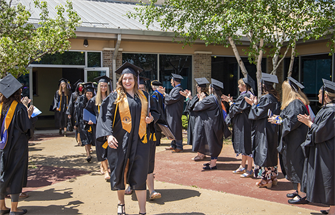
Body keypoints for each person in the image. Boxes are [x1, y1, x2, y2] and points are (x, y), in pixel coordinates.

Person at [96, 62, 160, 215]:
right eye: (124, 79)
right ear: (121, 80)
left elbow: (156, 113)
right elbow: (105, 116)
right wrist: (108, 134)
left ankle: (142, 211)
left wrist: (152, 119)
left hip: (140, 142)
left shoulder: (144, 96)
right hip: (120, 142)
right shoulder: (114, 96)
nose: (127, 81)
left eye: (130, 78)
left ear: (135, 80)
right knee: (120, 173)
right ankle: (121, 204)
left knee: (139, 174)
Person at [268, 77, 309, 204]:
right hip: (292, 141)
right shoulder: (294, 103)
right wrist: (279, 118)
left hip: (296, 141)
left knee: (297, 165)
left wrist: (278, 121)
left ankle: (302, 195)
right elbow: (288, 118)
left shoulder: (296, 103)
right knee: (292, 165)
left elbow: (292, 122)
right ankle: (297, 190)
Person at [298, 79, 335, 215]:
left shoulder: (332, 111)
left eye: (319, 94)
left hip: (328, 151)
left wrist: (309, 123)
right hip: (324, 149)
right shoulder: (327, 109)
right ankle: (331, 209)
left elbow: (321, 131)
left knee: (329, 179)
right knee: (327, 179)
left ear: (326, 96)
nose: (318, 96)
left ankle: (333, 211)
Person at [0, 74, 34, 215]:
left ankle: (2, 207)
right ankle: (14, 209)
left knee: (3, 173)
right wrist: (29, 115)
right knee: (16, 173)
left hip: (2, 147)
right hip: (17, 147)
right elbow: (25, 128)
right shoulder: (19, 108)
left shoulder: (1, 106)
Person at [245, 73, 280, 188]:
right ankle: (273, 177)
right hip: (272, 129)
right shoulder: (275, 98)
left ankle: (266, 180)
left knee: (264, 153)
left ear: (263, 85)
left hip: (264, 129)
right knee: (271, 153)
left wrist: (253, 105)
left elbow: (257, 113)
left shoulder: (266, 98)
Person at [192, 79, 231, 170]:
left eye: (210, 87)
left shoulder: (210, 99)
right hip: (216, 125)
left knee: (212, 143)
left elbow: (197, 107)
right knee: (214, 142)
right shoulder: (217, 98)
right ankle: (212, 162)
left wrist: (201, 100)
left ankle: (213, 164)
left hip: (211, 125)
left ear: (212, 89)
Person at [223, 74, 255, 177]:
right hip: (242, 123)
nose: (238, 87)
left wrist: (231, 104)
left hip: (246, 124)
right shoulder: (245, 95)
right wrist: (231, 103)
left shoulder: (246, 96)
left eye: (240, 85)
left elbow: (236, 109)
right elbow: (236, 109)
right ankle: (242, 166)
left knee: (247, 145)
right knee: (243, 144)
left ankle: (249, 169)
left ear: (244, 86)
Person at [85, 76, 111, 180]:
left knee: (110, 149)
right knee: (101, 150)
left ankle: (107, 167)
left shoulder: (112, 98)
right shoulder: (94, 100)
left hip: (110, 127)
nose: (103, 88)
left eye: (105, 86)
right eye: (101, 86)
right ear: (98, 87)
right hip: (98, 128)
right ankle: (106, 171)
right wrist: (89, 120)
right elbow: (87, 112)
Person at [180, 77, 209, 161]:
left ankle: (200, 154)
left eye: (197, 87)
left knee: (198, 136)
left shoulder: (200, 96)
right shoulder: (205, 96)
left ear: (199, 88)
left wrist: (188, 97)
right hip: (198, 118)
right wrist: (189, 97)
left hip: (196, 119)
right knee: (200, 136)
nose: (196, 88)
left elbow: (190, 106)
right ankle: (202, 153)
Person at [163, 73, 184, 153]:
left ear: (175, 81)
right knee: (172, 128)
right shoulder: (175, 89)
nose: (171, 82)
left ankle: (179, 146)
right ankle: (173, 144)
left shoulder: (179, 90)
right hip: (172, 112)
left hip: (175, 112)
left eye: (172, 81)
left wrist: (164, 94)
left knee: (176, 128)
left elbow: (171, 99)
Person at [75, 83, 95, 162]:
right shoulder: (81, 100)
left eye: (90, 94)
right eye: (87, 93)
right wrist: (76, 123)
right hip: (83, 122)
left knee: (90, 138)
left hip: (92, 123)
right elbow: (78, 112)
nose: (89, 95)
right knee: (86, 139)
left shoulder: (95, 101)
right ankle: (88, 154)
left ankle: (89, 150)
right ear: (85, 93)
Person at [67, 79, 84, 145]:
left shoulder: (85, 94)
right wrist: (69, 113)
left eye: (82, 86)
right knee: (77, 126)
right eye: (79, 86)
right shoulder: (74, 95)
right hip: (75, 112)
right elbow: (70, 104)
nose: (81, 88)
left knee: (82, 126)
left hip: (82, 112)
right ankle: (78, 139)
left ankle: (82, 140)